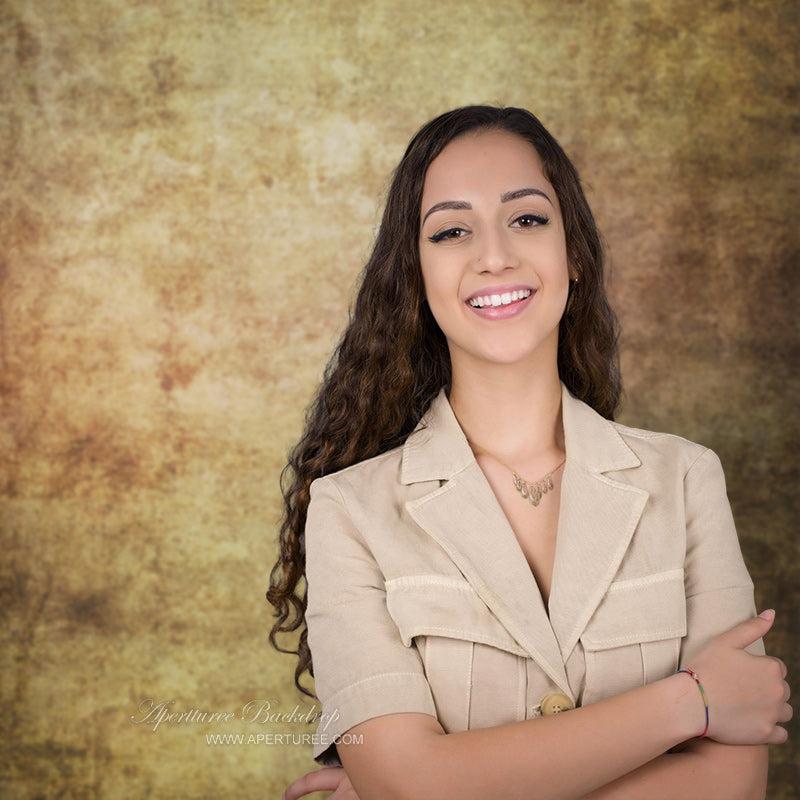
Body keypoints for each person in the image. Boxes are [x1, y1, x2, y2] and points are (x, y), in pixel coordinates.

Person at [268, 106, 791, 799]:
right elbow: (408, 786)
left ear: (571, 250)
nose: (494, 255)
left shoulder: (688, 479)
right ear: (416, 276)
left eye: (527, 219)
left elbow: (733, 785)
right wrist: (690, 702)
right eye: (452, 230)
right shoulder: (348, 511)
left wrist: (437, 784)